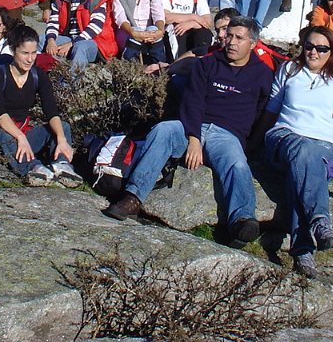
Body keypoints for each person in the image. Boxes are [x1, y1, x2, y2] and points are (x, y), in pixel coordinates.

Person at [104, 16, 274, 250]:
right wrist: (194, 139)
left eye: (239, 38)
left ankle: (242, 220)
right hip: (193, 126)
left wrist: (249, 143)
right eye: (229, 36)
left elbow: (261, 112)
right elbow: (192, 102)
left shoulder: (263, 74)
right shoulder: (208, 64)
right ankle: (132, 197)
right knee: (163, 130)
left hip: (227, 135)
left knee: (237, 164)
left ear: (253, 43)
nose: (231, 42)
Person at [260, 26, 333, 278]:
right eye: (309, 46)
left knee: (302, 172)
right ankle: (320, 222)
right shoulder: (289, 70)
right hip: (285, 137)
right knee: (306, 153)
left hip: (325, 147)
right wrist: (255, 141)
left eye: (322, 48)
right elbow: (272, 107)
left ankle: (302, 250)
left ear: (331, 51)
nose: (314, 52)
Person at [0, 26, 81, 186]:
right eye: (25, 53)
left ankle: (63, 165)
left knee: (61, 127)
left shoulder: (38, 75)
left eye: (33, 53)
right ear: (13, 50)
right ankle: (33, 168)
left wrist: (61, 139)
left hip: (24, 133)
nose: (30, 59)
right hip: (4, 133)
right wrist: (20, 137)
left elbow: (51, 110)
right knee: (1, 134)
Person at [44, 0, 119, 69]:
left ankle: (73, 83)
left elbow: (95, 27)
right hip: (68, 38)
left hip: (97, 42)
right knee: (41, 41)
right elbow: (53, 21)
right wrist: (51, 40)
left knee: (80, 47)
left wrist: (71, 44)